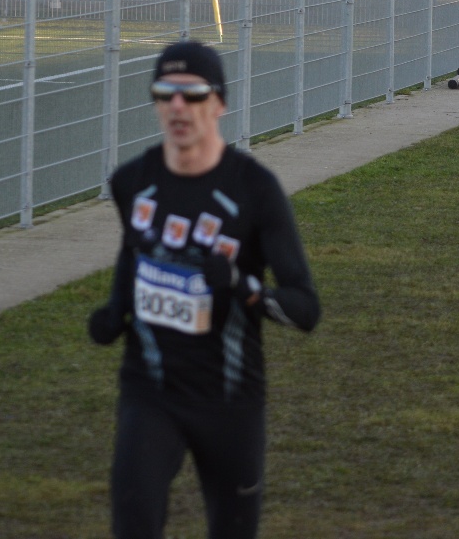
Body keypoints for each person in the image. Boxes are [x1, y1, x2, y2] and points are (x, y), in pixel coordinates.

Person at [87, 40, 321, 539]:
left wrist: (243, 287)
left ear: (219, 104)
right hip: (149, 394)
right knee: (133, 524)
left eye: (192, 95)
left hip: (230, 400)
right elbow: (137, 252)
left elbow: (305, 307)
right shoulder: (132, 182)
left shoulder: (255, 190)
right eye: (165, 93)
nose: (177, 105)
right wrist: (116, 308)